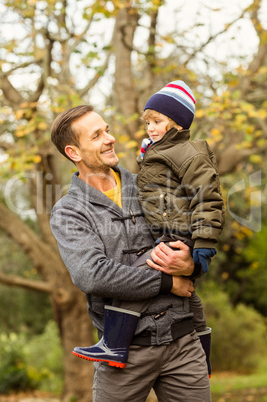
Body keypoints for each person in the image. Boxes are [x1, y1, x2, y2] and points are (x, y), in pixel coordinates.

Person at [50, 104, 212, 401]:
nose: (109, 139)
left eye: (107, 130)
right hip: (123, 353)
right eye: (97, 136)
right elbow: (93, 275)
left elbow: (196, 239)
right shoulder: (69, 212)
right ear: (74, 153)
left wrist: (190, 267)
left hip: (183, 344)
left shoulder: (152, 185)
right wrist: (167, 282)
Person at [71, 81, 225, 377]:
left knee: (135, 281)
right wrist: (147, 154)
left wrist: (202, 243)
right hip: (170, 231)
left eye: (157, 122)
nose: (151, 128)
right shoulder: (161, 152)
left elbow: (208, 198)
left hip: (176, 233)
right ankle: (204, 358)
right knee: (191, 297)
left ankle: (114, 344)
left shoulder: (189, 153)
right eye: (148, 122)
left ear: (177, 124)